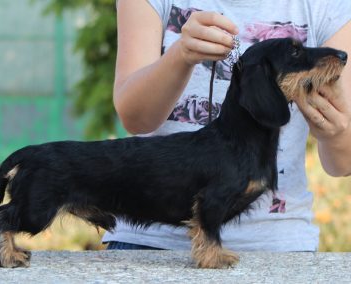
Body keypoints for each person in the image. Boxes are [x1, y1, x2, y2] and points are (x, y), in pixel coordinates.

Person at [102, 0, 351, 251]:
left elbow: (344, 163)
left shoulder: (327, 5)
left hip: (279, 243)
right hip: (150, 241)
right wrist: (180, 55)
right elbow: (135, 119)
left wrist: (337, 131)